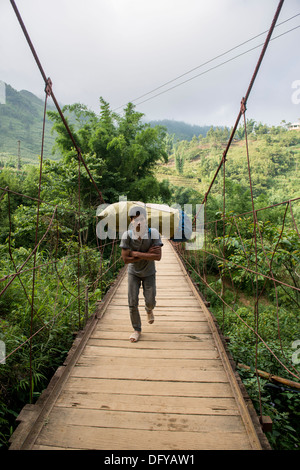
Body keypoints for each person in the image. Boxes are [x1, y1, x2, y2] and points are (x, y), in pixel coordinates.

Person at [120, 205, 163, 342]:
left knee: (150, 301)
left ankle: (149, 310)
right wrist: (147, 254)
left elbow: (158, 256)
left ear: (146, 220)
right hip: (133, 272)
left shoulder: (153, 233)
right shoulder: (127, 235)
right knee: (132, 302)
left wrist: (135, 253)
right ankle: (136, 329)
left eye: (142, 219)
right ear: (131, 221)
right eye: (136, 219)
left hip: (149, 272)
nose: (139, 222)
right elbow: (126, 260)